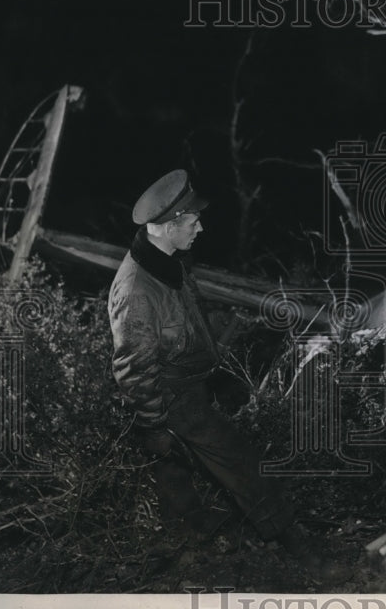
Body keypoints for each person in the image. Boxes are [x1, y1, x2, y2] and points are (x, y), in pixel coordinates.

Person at [107, 169, 304, 549]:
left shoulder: (171, 261)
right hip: (172, 396)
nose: (201, 227)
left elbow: (185, 315)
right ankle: (293, 540)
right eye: (194, 220)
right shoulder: (136, 290)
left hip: (191, 383)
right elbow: (132, 368)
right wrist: (154, 426)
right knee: (239, 460)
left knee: (173, 473)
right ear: (167, 226)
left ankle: (193, 533)